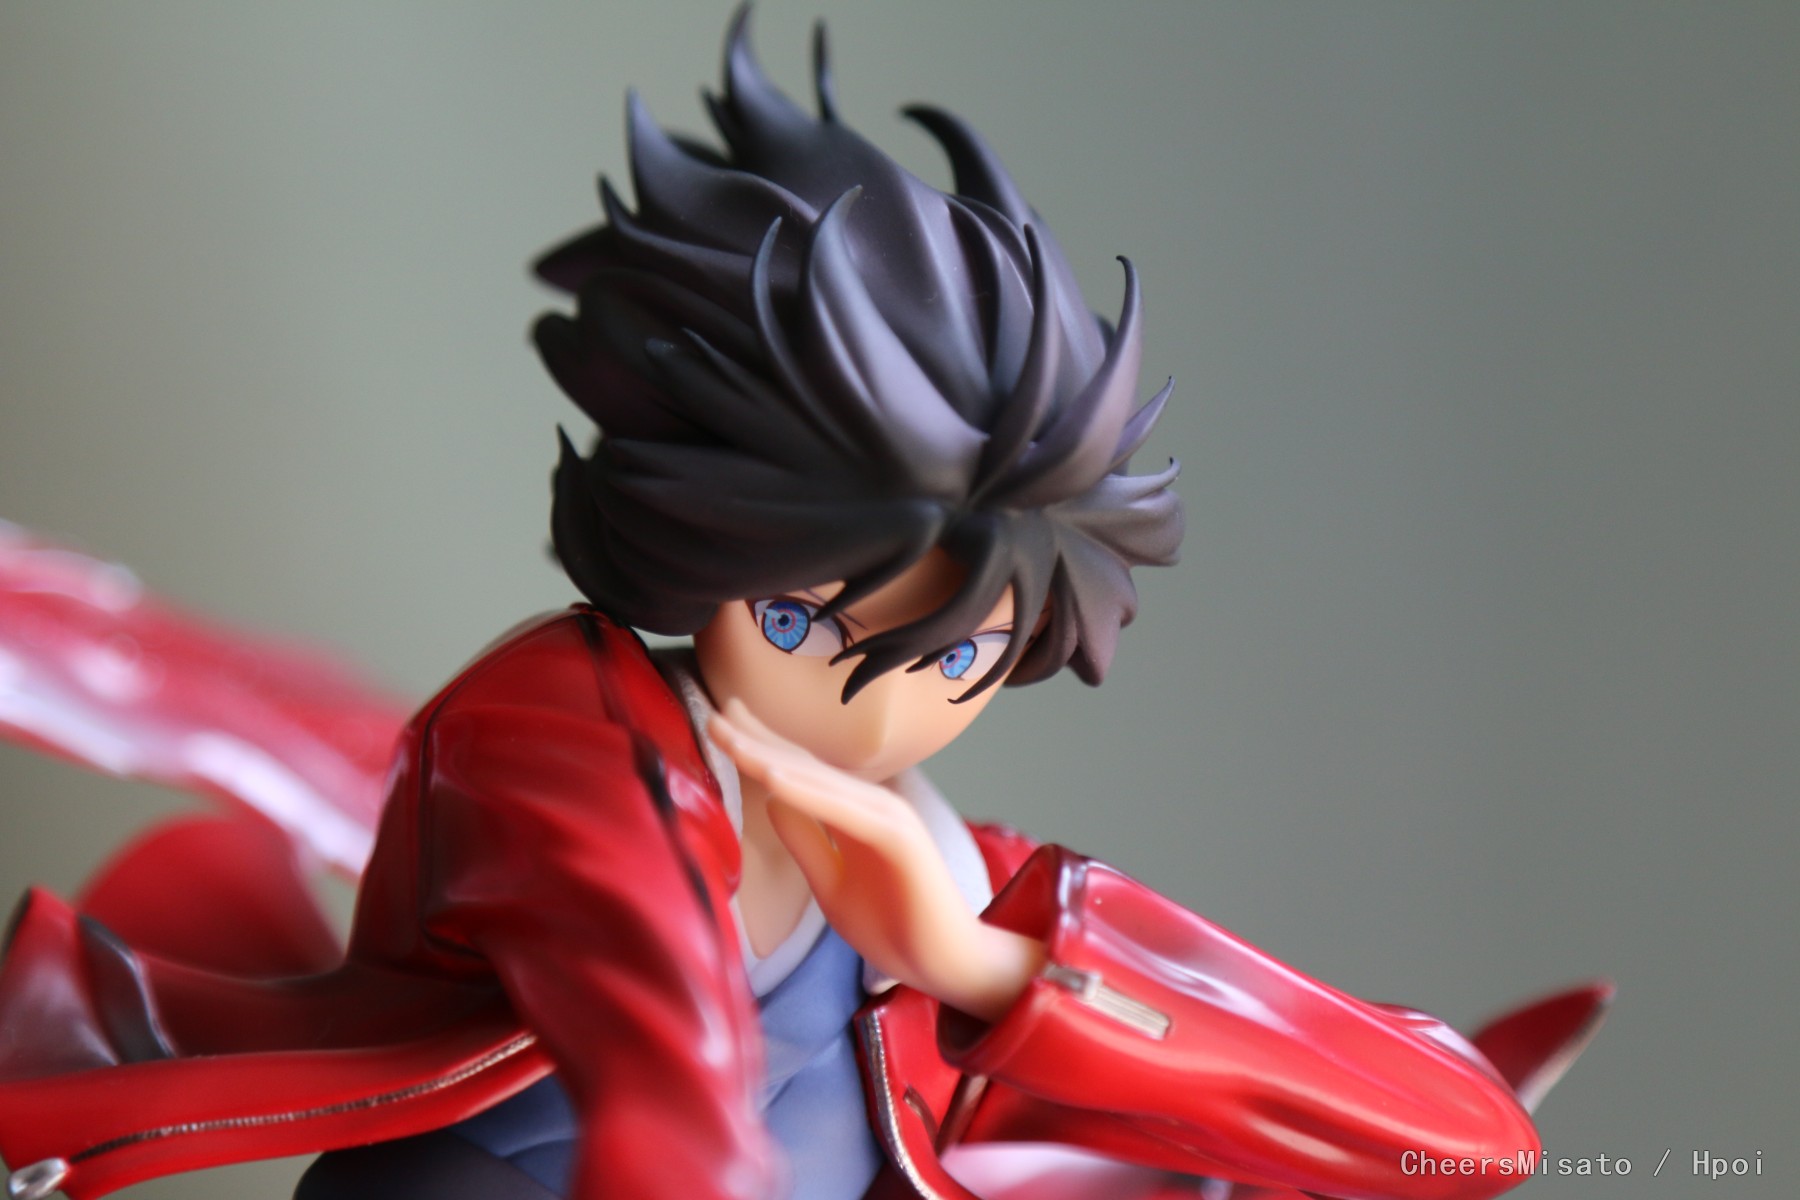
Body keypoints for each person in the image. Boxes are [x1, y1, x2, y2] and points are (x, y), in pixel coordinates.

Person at [0, 12, 1605, 1200]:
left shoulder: (943, 886)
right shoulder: (558, 743)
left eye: (964, 656)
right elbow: (664, 1078)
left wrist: (985, 971)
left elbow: (1462, 1133)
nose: (877, 709)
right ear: (697, 547)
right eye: (795, 623)